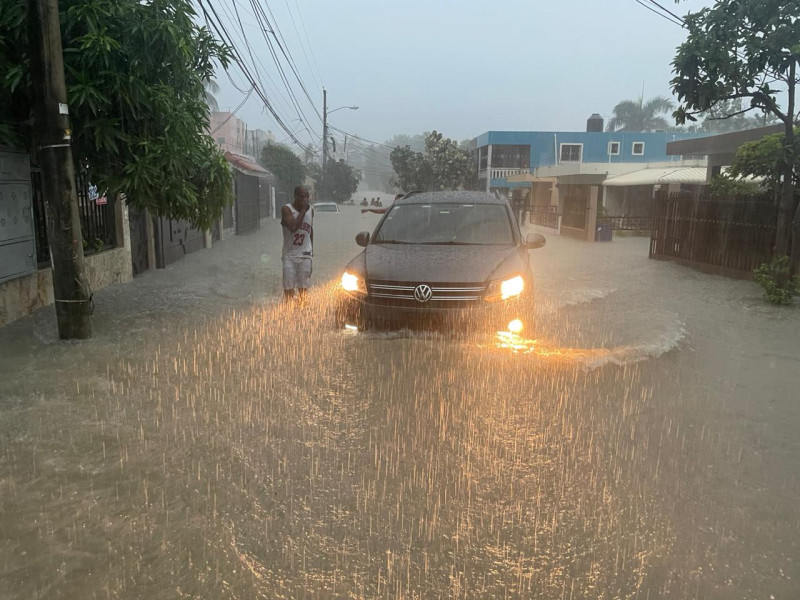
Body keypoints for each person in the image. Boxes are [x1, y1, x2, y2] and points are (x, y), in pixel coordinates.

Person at [280, 186, 314, 300]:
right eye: (302, 196)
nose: (305, 199)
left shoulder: (311, 210)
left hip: (305, 255)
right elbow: (293, 227)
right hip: (289, 256)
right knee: (289, 292)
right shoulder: (287, 209)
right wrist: (303, 210)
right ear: (295, 196)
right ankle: (288, 314)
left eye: (307, 197)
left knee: (303, 291)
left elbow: (310, 230)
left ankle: (302, 314)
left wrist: (311, 253)